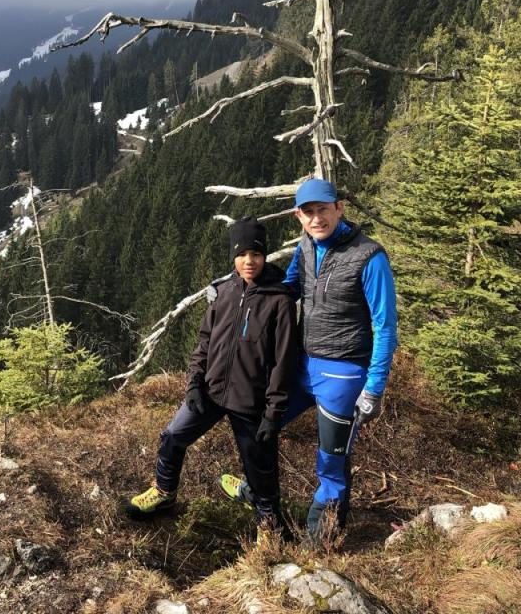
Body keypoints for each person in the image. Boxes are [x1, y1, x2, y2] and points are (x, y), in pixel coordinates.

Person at [220, 178, 397, 543]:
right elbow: (288, 289)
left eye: (323, 210)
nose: (317, 219)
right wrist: (235, 292)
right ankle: (260, 495)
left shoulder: (369, 256)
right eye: (309, 212)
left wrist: (374, 389)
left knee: (331, 461)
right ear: (298, 216)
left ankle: (320, 542)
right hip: (302, 366)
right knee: (259, 427)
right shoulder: (307, 245)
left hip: (344, 374)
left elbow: (385, 326)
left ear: (339, 209)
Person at [126, 217, 299, 530]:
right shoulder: (222, 292)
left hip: (251, 401)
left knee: (260, 467)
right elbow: (204, 342)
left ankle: (268, 524)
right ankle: (164, 491)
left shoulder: (280, 301)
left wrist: (273, 412)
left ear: (264, 255)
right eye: (242, 254)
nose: (249, 261)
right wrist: (194, 383)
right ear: (233, 256)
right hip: (211, 391)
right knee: (173, 436)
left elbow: (283, 361)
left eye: (256, 254)